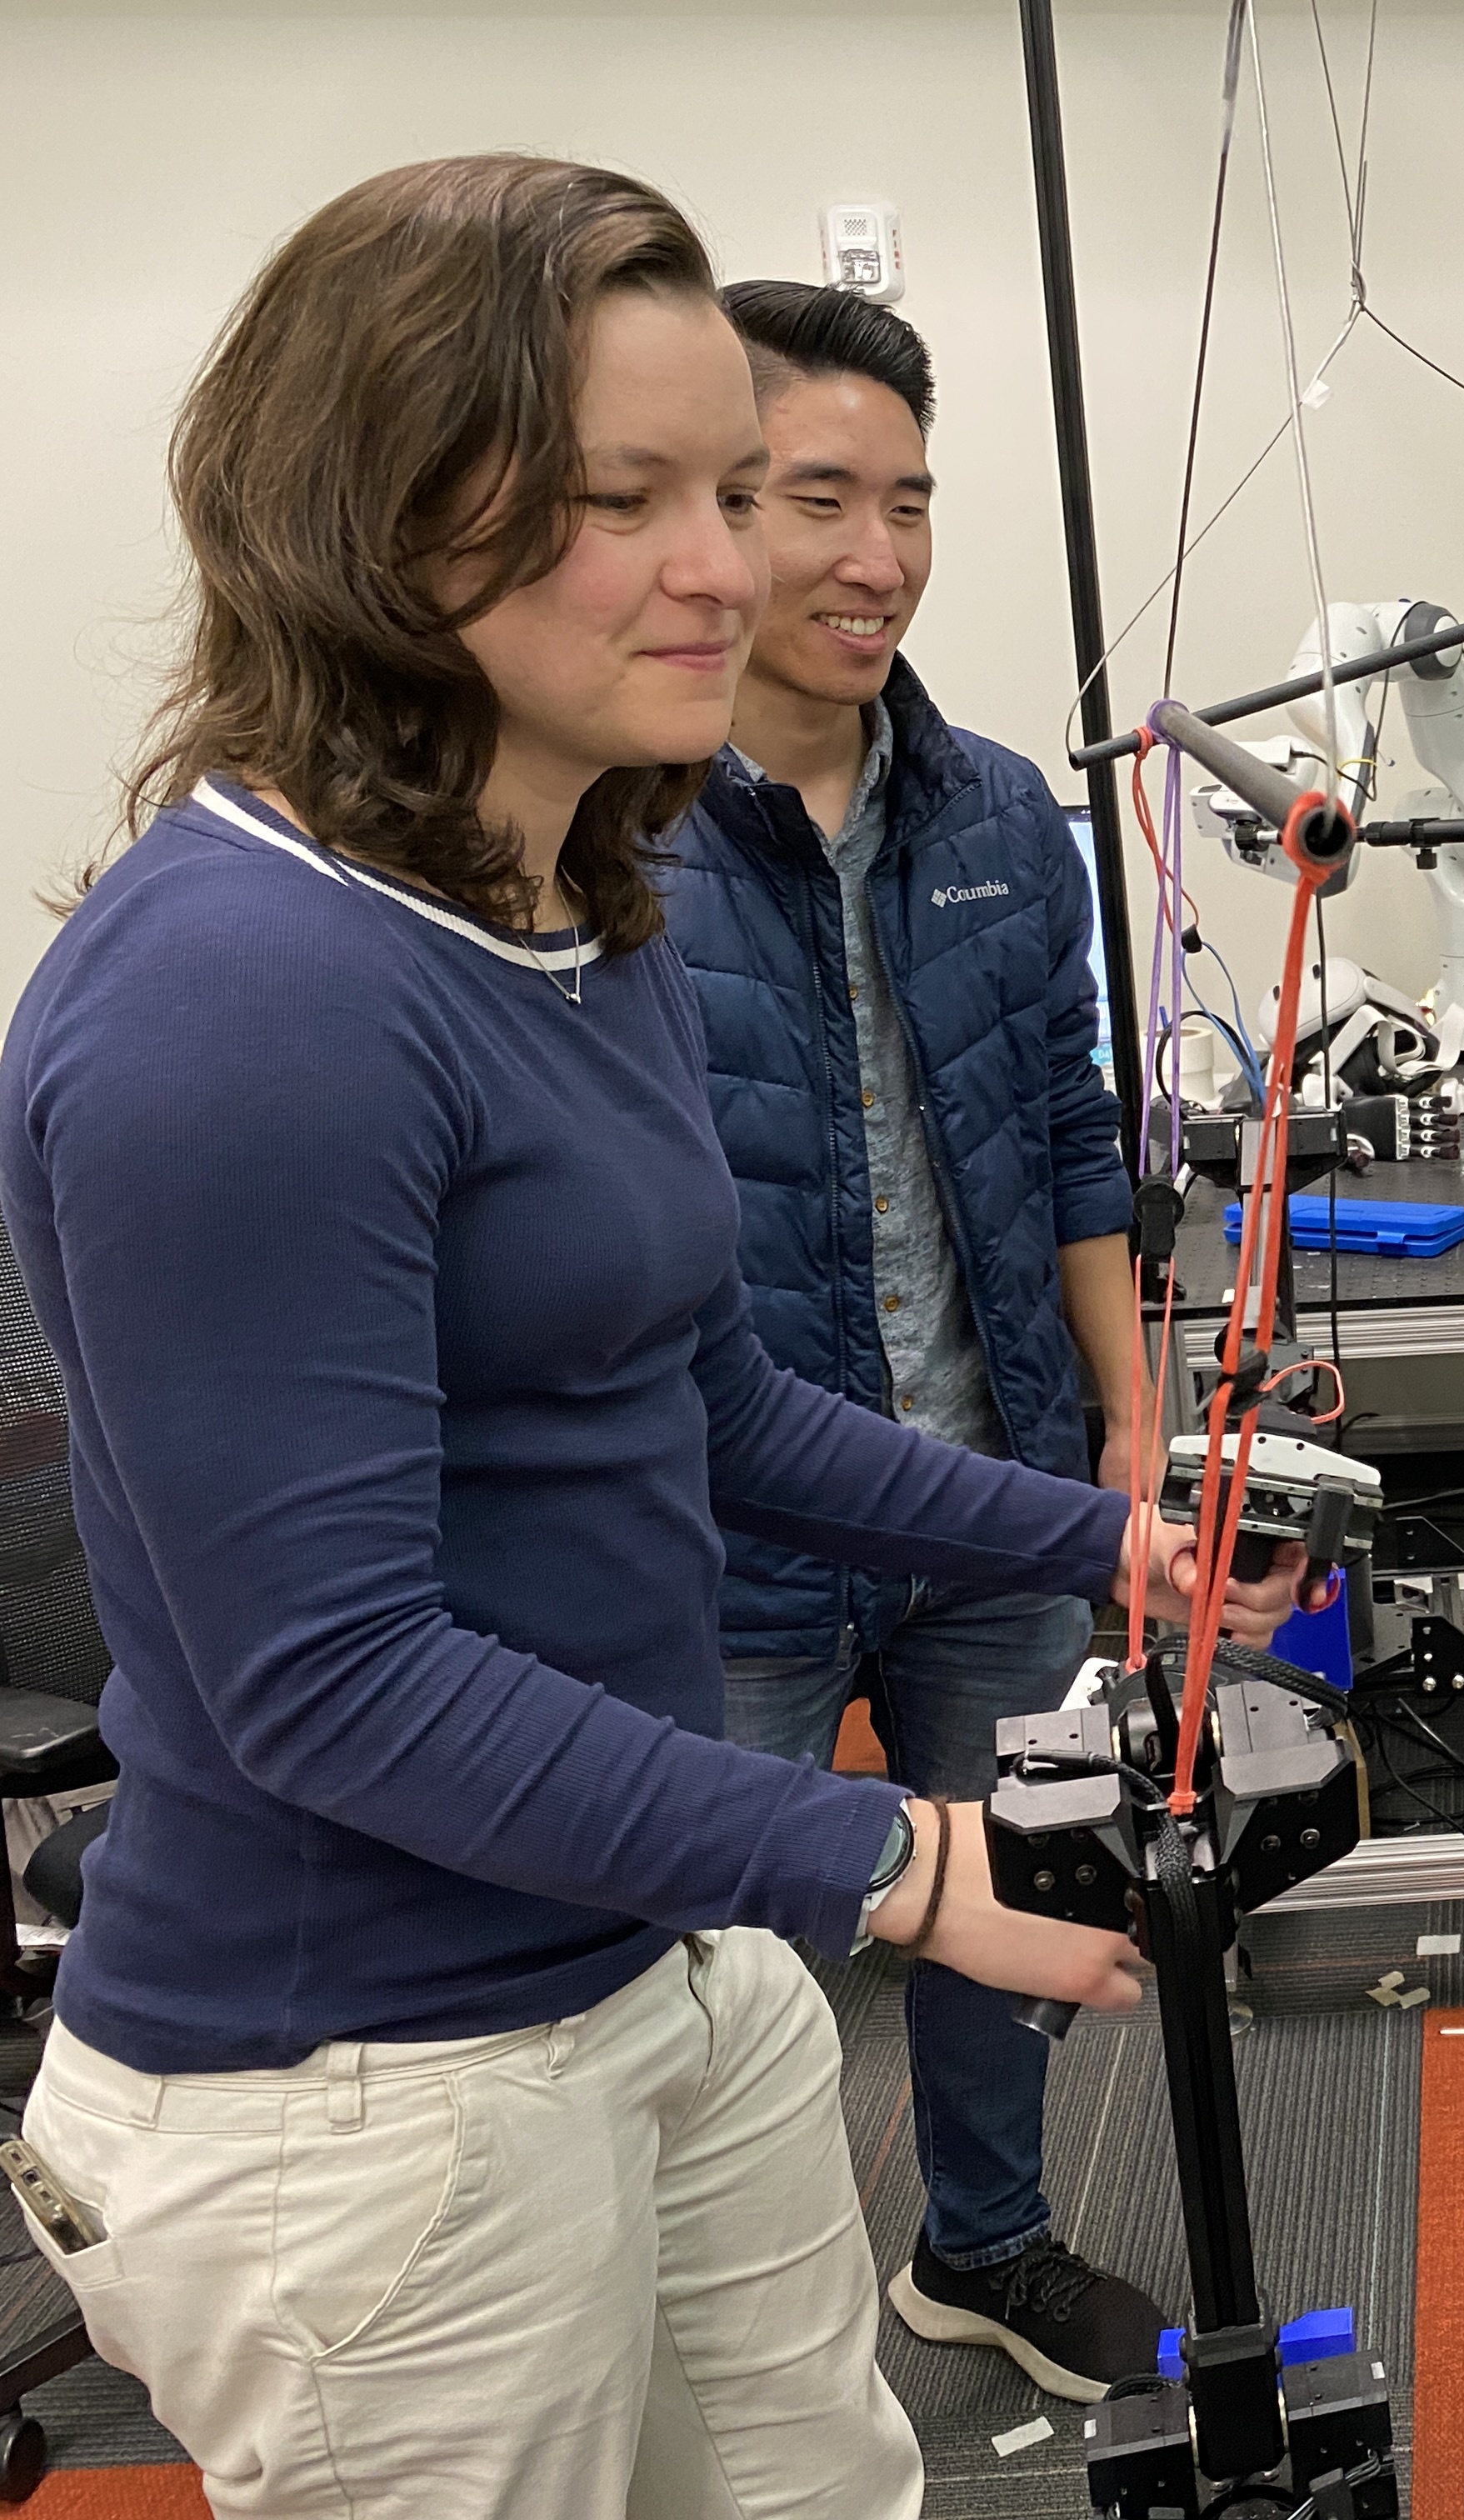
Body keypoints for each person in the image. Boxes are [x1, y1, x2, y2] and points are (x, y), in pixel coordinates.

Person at [0, 155, 1299, 2519]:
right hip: (363, 2080)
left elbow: (703, 1404)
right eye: (634, 499)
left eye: (737, 485)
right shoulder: (244, 995)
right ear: (376, 519)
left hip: (652, 1954)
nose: (742, 567)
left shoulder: (576, 889)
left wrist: (1110, 1542)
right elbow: (332, 1681)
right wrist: (896, 1861)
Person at [657, 280, 1182, 2398]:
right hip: (733, 1524)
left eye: (910, 504)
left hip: (985, 1488)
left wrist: (1123, 1420)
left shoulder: (986, 814)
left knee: (1013, 1890)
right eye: (816, 501)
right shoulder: (609, 831)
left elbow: (1067, 1119)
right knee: (733, 1963)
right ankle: (751, 2331)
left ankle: (984, 2246)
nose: (873, 558)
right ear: (710, 510)